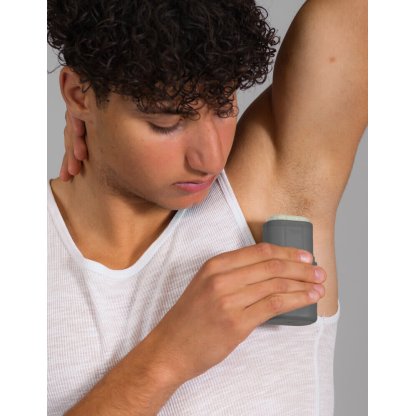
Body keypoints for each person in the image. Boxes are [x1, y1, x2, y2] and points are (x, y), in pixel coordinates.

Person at [47, 0, 367, 414]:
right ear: (79, 95)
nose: (210, 158)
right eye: (167, 123)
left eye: (223, 107)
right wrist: (167, 359)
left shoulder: (270, 189)